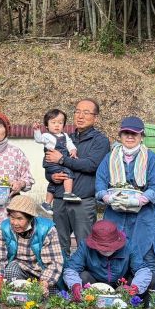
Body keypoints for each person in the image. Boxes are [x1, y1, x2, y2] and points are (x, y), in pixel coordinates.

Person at [95, 116, 155, 301]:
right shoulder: (109, 158)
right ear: (120, 135)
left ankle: (151, 301)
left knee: (147, 258)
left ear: (141, 136)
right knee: (114, 255)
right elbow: (100, 183)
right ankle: (116, 298)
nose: (130, 137)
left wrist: (140, 199)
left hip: (144, 217)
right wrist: (106, 197)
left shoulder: (152, 158)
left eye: (134, 134)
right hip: (115, 215)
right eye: (126, 133)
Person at [44, 98, 110, 255]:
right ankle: (62, 271)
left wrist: (62, 159)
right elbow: (49, 162)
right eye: (78, 112)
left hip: (82, 201)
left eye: (86, 113)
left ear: (95, 117)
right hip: (60, 199)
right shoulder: (65, 138)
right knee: (59, 246)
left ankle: (83, 272)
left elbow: (91, 165)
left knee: (85, 245)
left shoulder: (100, 141)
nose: (80, 116)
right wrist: (52, 176)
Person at [0, 195, 64, 296]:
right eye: (12, 217)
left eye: (20, 218)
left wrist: (44, 283)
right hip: (20, 268)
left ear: (30, 218)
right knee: (10, 272)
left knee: (45, 297)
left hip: (42, 271)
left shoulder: (47, 229)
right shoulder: (4, 228)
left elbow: (54, 262)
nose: (15, 223)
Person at [63, 219, 152, 301]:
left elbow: (142, 270)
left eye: (109, 247)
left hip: (122, 284)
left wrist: (135, 287)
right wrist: (75, 285)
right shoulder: (85, 246)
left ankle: (140, 305)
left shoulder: (129, 245)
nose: (106, 250)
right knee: (83, 276)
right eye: (102, 247)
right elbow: (71, 269)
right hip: (95, 284)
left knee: (148, 279)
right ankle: (86, 303)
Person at [33, 108, 79, 214]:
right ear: (47, 125)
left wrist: (73, 150)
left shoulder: (65, 136)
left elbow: (70, 144)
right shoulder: (47, 136)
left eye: (60, 123)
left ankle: (46, 203)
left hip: (60, 162)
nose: (57, 125)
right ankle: (68, 193)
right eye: (53, 122)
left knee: (54, 183)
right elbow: (39, 139)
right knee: (67, 173)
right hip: (51, 162)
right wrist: (36, 130)